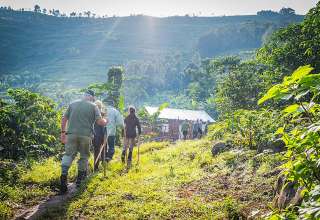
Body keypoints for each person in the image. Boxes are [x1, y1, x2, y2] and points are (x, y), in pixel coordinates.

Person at [60, 90, 107, 194]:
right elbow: (100, 122)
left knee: (68, 155)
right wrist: (106, 121)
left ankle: (63, 176)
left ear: (84, 96)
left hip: (71, 135)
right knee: (84, 156)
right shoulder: (93, 106)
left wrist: (63, 132)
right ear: (91, 97)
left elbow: (64, 118)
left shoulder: (72, 104)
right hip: (85, 136)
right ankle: (79, 181)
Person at [93, 100, 107, 171]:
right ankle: (102, 165)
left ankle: (96, 167)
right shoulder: (102, 113)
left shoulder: (92, 113)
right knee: (103, 149)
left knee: (97, 151)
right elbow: (105, 123)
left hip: (95, 134)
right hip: (101, 134)